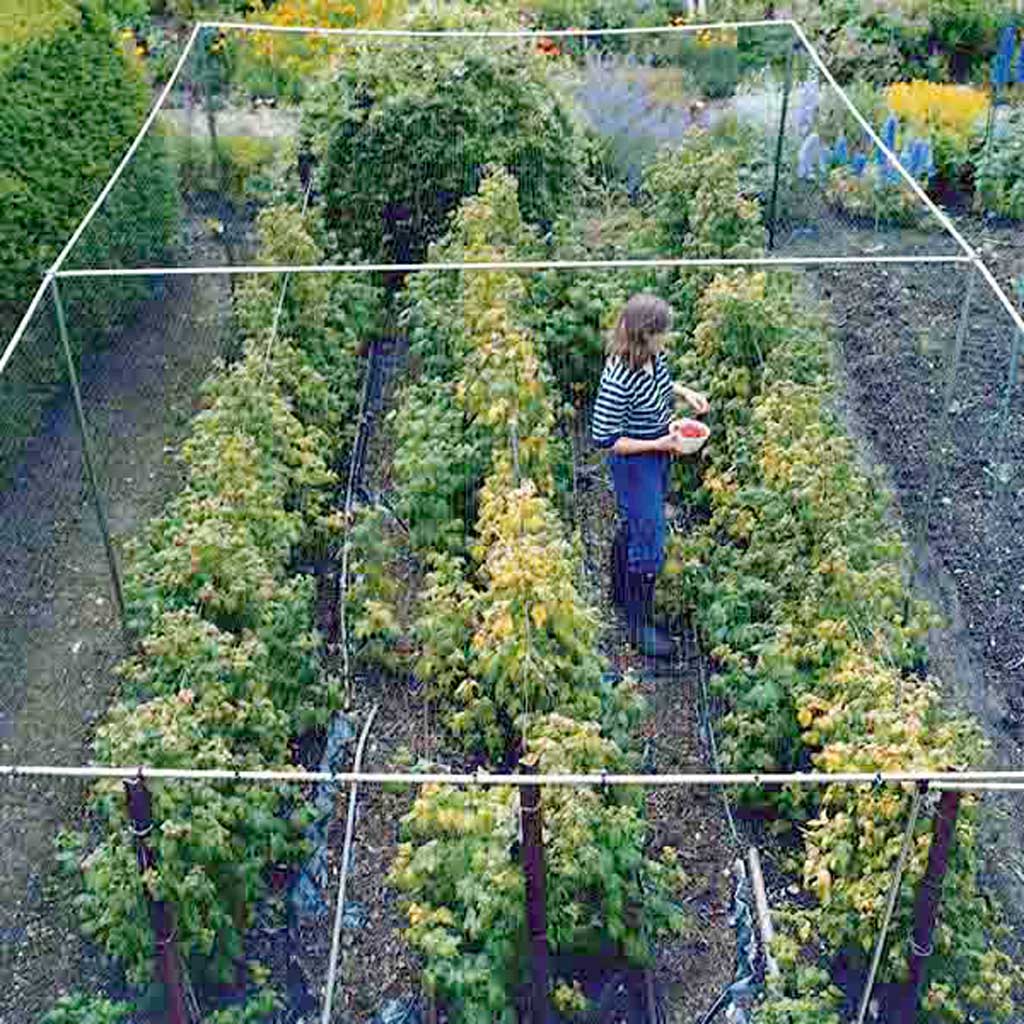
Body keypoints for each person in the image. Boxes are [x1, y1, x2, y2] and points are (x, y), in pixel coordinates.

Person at [591, 294, 709, 658]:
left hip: (657, 452)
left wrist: (685, 392)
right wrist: (659, 441)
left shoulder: (653, 358)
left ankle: (619, 593)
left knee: (637, 523)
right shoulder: (617, 377)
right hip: (635, 464)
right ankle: (638, 625)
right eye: (662, 334)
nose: (666, 339)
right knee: (650, 537)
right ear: (645, 335)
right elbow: (606, 439)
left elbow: (660, 384)